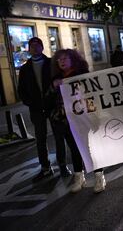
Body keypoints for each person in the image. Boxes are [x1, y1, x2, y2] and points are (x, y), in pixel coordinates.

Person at [49, 49, 106, 193]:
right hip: (66, 120)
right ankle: (79, 178)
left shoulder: (82, 76)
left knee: (91, 148)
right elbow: (49, 99)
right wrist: (53, 87)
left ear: (72, 60)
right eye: (59, 59)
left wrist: (93, 116)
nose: (62, 61)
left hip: (84, 118)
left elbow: (91, 95)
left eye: (65, 58)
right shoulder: (56, 78)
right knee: (74, 149)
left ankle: (99, 177)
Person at [17, 37, 70, 182]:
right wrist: (30, 103)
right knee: (40, 139)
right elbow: (21, 90)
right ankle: (45, 168)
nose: (34, 48)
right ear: (28, 49)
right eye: (31, 46)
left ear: (42, 47)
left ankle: (63, 165)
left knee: (59, 137)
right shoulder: (25, 69)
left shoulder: (52, 64)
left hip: (53, 107)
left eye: (37, 45)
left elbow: (61, 82)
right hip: (36, 110)